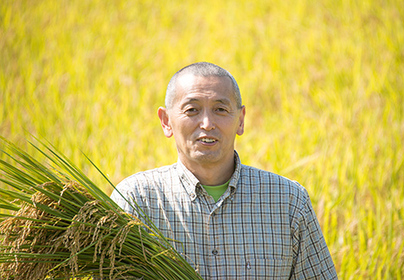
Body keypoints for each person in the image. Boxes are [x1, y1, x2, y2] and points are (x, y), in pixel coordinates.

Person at [110, 62, 338, 279]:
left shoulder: (288, 201)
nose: (207, 123)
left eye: (220, 109)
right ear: (166, 121)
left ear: (240, 120)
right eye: (192, 110)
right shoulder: (136, 200)